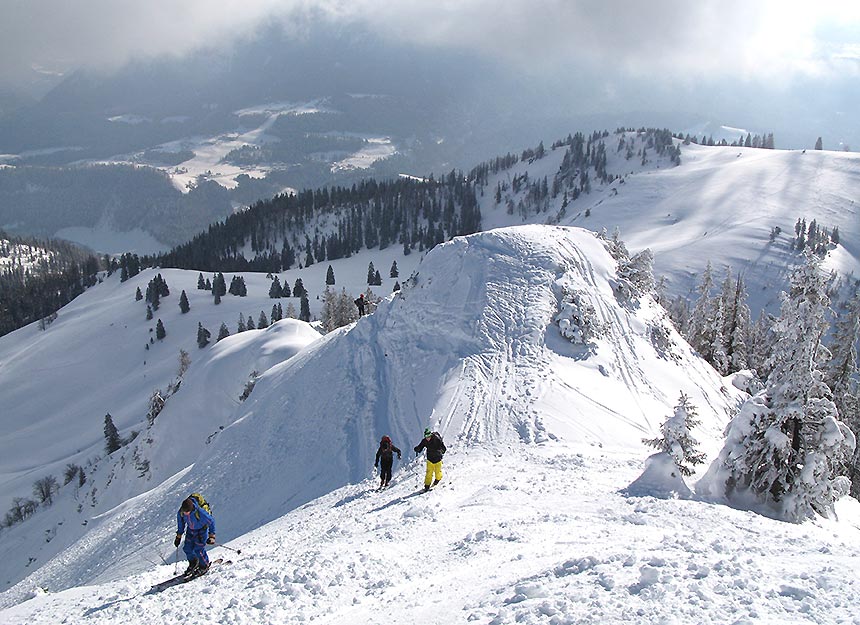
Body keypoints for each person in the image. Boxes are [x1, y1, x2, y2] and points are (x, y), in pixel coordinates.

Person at [173, 496, 216, 576]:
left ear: (191, 509)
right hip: (191, 530)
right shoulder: (181, 512)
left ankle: (204, 565)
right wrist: (178, 536)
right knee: (187, 548)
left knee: (198, 549)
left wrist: (212, 536)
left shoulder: (200, 512)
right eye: (184, 511)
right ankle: (193, 563)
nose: (185, 513)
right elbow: (181, 524)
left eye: (187, 512)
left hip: (201, 531)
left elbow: (211, 521)